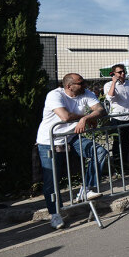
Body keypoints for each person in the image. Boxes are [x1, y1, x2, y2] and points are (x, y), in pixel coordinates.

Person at [36, 73, 109, 230]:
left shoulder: (85, 93)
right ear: (69, 86)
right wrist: (86, 117)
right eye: (81, 83)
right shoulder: (55, 95)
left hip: (71, 137)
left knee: (100, 152)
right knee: (51, 179)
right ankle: (55, 214)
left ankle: (87, 189)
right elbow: (65, 116)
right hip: (49, 140)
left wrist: (85, 119)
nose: (85, 85)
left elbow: (101, 110)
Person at [103, 64, 129, 164]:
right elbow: (110, 97)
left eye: (124, 71)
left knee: (127, 142)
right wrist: (114, 83)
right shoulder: (108, 85)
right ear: (114, 74)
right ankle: (117, 166)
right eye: (120, 72)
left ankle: (125, 163)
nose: (123, 73)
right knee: (118, 143)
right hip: (118, 118)